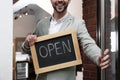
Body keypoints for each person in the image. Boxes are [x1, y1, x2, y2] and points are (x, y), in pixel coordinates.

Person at [22, 0, 110, 80]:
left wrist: (98, 55)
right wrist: (27, 43)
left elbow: (88, 44)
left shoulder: (77, 23)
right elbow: (30, 49)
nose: (60, 0)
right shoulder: (41, 24)